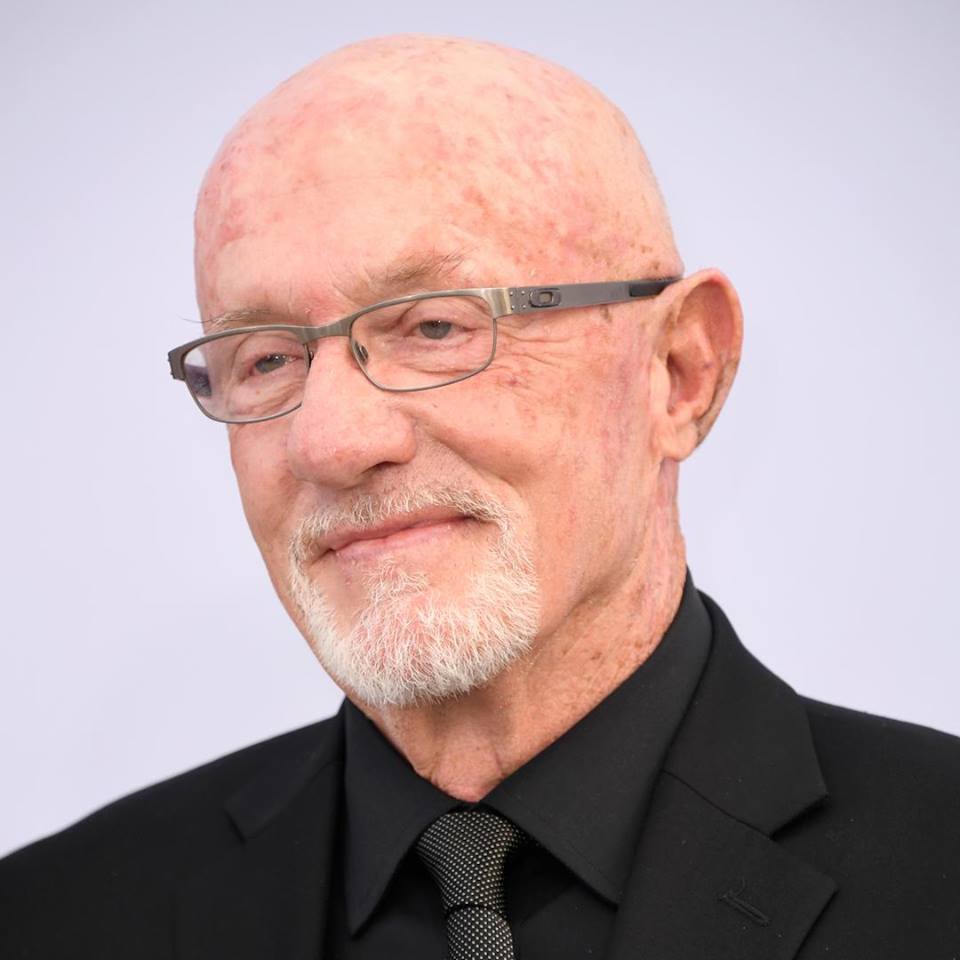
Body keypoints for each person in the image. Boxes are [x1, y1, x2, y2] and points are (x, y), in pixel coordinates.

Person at [1, 34, 958, 959]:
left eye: (434, 327)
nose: (331, 442)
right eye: (265, 359)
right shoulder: (53, 920)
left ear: (678, 371)